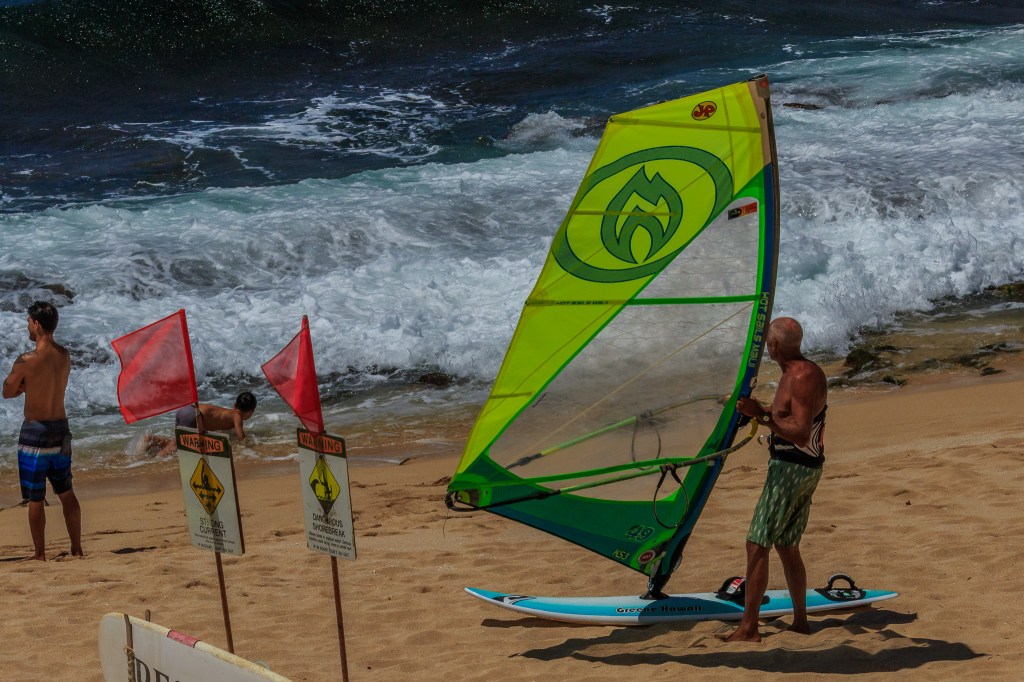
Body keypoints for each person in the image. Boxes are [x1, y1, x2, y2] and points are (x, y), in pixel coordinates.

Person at [726, 317, 827, 642]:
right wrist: (759, 410)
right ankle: (800, 622)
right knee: (786, 545)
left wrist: (763, 416)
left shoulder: (801, 376)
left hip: (791, 468)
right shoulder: (797, 372)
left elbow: (798, 432)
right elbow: (786, 414)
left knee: (757, 544)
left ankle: (749, 628)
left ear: (773, 347)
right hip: (803, 467)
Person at [2, 301, 82, 561]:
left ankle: (39, 553)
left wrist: (25, 385)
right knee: (66, 491)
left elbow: (7, 391)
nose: (27, 326)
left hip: (35, 432)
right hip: (61, 428)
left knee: (36, 498)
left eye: (28, 322)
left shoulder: (27, 360)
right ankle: (77, 548)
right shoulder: (65, 355)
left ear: (36, 324)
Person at [145, 392, 257, 456]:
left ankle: (151, 440)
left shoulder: (229, 412)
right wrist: (251, 447)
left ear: (234, 405)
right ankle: (156, 459)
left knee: (178, 442)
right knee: (177, 446)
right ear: (251, 412)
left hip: (186, 410)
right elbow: (241, 438)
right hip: (194, 416)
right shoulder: (237, 417)